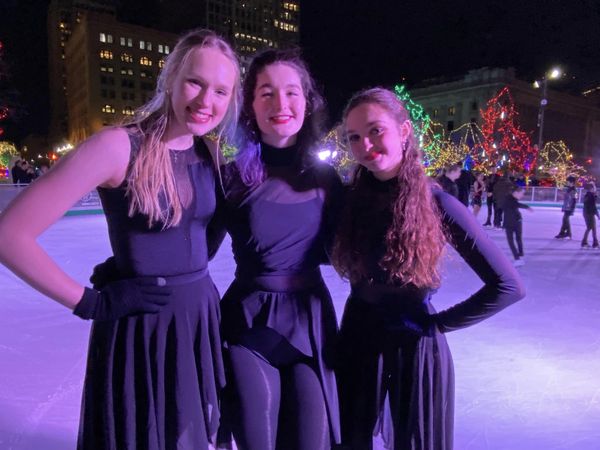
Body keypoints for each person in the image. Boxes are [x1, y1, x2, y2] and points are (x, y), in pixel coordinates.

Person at [0, 29, 241, 450]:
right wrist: (91, 302)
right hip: (140, 327)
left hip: (198, 319)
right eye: (195, 82)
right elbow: (9, 235)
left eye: (221, 91)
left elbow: (206, 236)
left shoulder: (210, 154)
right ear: (170, 78)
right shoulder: (118, 146)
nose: (207, 101)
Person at [332, 88, 525, 450]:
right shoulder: (349, 202)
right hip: (356, 340)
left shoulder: (438, 203)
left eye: (375, 130)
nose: (365, 145)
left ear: (404, 131)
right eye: (354, 137)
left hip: (413, 348)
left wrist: (437, 325)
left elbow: (508, 285)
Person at [212, 49, 342, 450]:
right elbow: (194, 249)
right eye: (266, 93)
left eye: (291, 92)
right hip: (249, 324)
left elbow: (352, 250)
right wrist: (128, 267)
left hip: (310, 323)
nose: (280, 104)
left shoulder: (327, 179)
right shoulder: (231, 177)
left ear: (307, 102)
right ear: (250, 105)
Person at [503, 185, 533, 267]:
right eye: (521, 193)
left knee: (518, 238)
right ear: (516, 193)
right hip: (510, 223)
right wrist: (527, 207)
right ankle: (518, 258)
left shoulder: (512, 199)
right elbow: (515, 204)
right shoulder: (508, 199)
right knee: (511, 241)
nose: (522, 195)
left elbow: (515, 205)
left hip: (517, 221)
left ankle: (520, 255)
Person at [581, 182, 599, 248]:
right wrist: (598, 215)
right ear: (591, 188)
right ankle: (585, 242)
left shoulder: (588, 195)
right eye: (594, 187)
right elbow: (593, 206)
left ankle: (595, 243)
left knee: (592, 228)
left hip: (587, 213)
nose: (595, 188)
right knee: (590, 227)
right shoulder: (591, 196)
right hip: (589, 214)